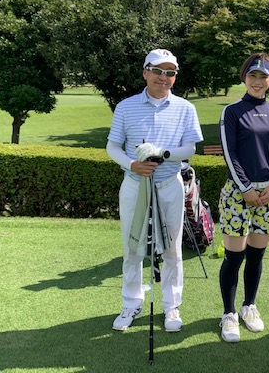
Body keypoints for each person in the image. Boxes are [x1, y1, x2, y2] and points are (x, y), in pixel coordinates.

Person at [106, 48, 203, 333]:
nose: (163, 77)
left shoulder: (185, 108)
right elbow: (112, 146)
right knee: (132, 246)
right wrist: (132, 164)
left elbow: (190, 149)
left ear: (175, 77)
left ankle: (171, 305)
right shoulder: (126, 107)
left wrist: (163, 154)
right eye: (158, 71)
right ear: (145, 72)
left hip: (169, 184)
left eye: (170, 72)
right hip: (134, 185)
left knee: (172, 248)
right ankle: (131, 303)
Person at [217, 53, 269, 343]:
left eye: (263, 77)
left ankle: (249, 306)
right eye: (252, 75)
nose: (257, 81)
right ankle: (229, 313)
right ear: (244, 77)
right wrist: (246, 188)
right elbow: (229, 152)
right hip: (238, 193)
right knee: (234, 257)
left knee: (257, 256)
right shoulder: (232, 111)